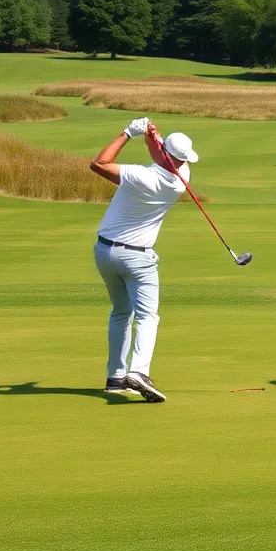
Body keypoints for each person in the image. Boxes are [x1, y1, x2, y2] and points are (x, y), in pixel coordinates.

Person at [89, 117, 200, 403]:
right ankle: (139, 371)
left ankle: (117, 377)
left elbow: (99, 164)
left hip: (104, 252)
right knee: (148, 316)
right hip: (137, 258)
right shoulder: (181, 178)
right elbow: (159, 152)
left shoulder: (140, 176)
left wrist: (129, 132)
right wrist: (151, 133)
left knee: (121, 312)